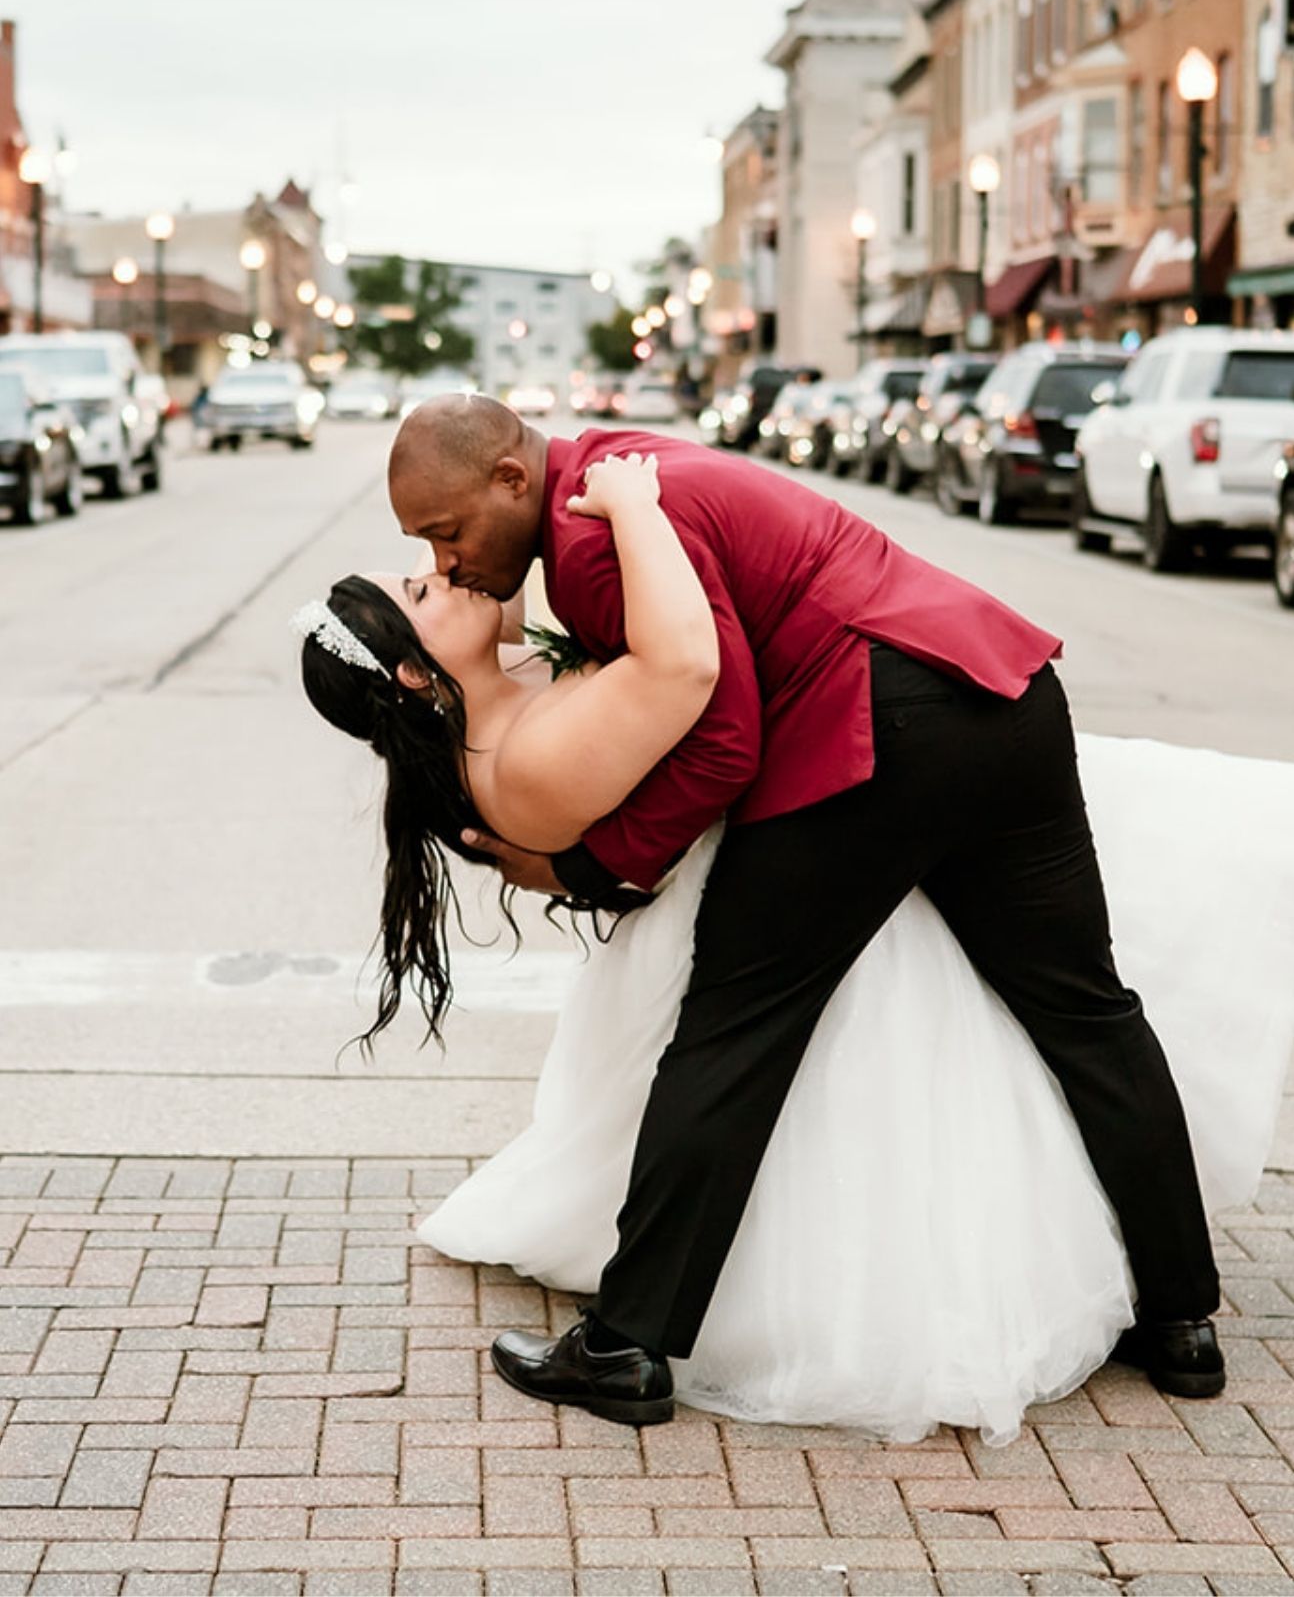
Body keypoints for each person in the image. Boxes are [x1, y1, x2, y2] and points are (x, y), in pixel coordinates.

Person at [299, 400, 1255, 1430]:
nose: (448, 560)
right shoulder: (625, 473)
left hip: (869, 731)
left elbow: (723, 741)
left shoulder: (592, 542)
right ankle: (1179, 1320)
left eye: (447, 531)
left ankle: (627, 1345)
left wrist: (598, 866)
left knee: (732, 1035)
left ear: (510, 477)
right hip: (1003, 695)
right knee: (1086, 1009)